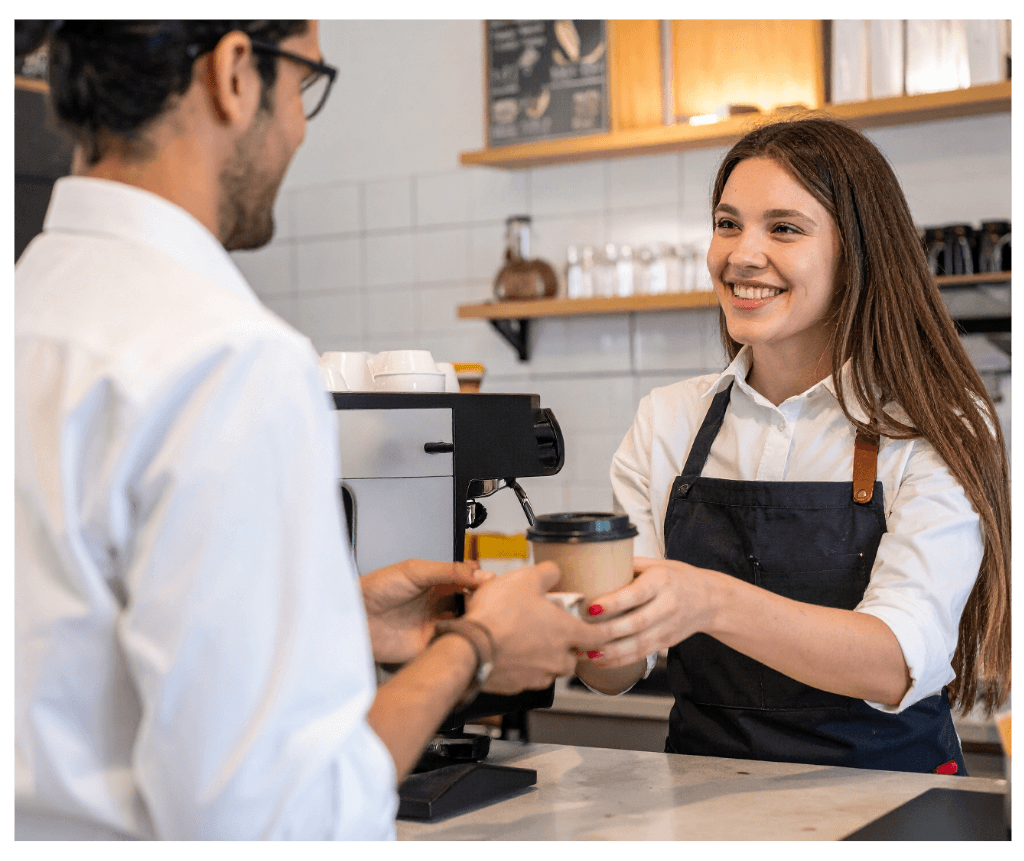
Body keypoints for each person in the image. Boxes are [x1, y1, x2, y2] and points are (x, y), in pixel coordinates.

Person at [13, 20, 613, 841]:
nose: (298, 127)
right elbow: (273, 814)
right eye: (304, 85)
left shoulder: (33, 304)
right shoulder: (228, 357)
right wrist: (473, 648)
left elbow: (76, 639)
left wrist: (333, 617)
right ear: (234, 72)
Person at [580, 116, 1011, 774]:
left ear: (857, 252)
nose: (741, 254)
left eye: (784, 227)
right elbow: (617, 673)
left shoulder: (937, 423)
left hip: (894, 801)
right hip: (705, 801)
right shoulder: (667, 420)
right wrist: (582, 625)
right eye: (728, 224)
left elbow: (894, 661)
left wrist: (708, 598)